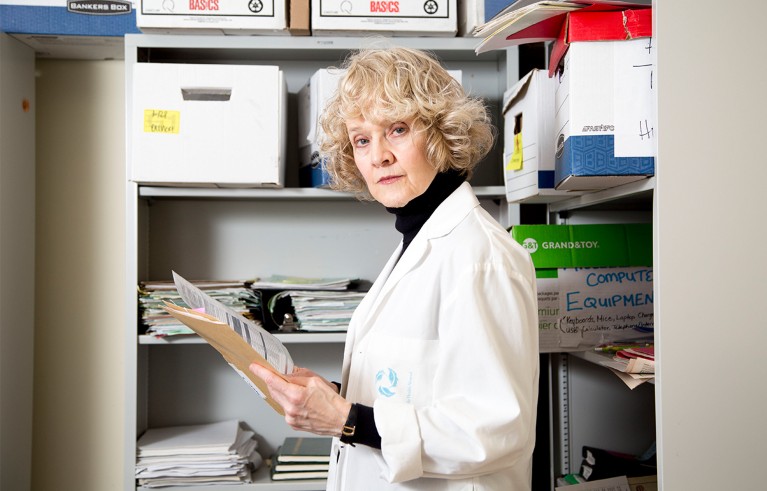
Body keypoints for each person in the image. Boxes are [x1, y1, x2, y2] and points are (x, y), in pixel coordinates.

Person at [249, 45, 539, 490]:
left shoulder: (481, 258)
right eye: (362, 139)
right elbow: (412, 387)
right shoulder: (417, 242)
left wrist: (347, 419)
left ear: (443, 133)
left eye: (397, 129)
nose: (378, 155)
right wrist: (333, 397)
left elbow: (497, 432)